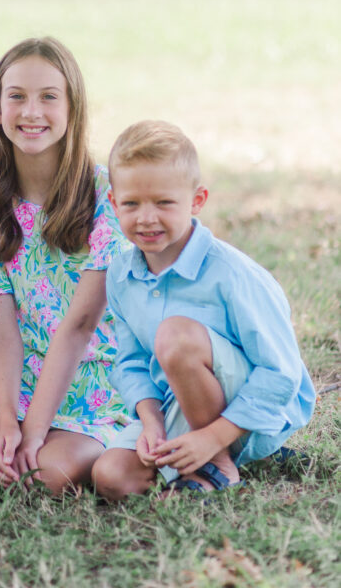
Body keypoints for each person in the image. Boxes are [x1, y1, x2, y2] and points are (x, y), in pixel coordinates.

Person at [0, 38, 130, 496]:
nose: (31, 111)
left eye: (48, 97)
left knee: (44, 475)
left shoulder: (107, 196)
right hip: (22, 384)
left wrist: (36, 431)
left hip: (98, 382)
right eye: (16, 96)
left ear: (72, 108)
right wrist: (6, 425)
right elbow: (1, 332)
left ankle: (104, 444)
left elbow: (79, 327)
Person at [93, 120, 316, 498]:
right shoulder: (120, 276)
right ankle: (193, 454)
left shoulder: (230, 274)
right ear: (114, 204)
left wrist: (213, 437)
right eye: (131, 204)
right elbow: (130, 362)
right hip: (174, 401)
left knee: (175, 335)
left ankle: (221, 461)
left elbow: (281, 373)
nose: (146, 217)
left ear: (196, 201)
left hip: (249, 414)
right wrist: (151, 422)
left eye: (164, 202)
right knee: (112, 477)